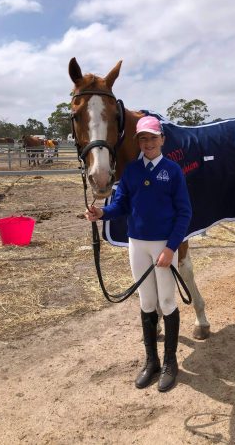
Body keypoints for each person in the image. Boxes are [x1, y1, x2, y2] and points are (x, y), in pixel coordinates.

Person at [85, 115, 192, 392]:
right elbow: (120, 206)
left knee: (167, 302)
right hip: (137, 244)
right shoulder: (131, 171)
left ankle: (170, 362)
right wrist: (101, 213)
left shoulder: (173, 171)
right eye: (143, 138)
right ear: (138, 142)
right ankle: (151, 361)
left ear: (162, 140)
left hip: (163, 246)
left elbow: (184, 213)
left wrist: (171, 248)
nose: (148, 143)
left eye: (153, 137)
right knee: (146, 302)